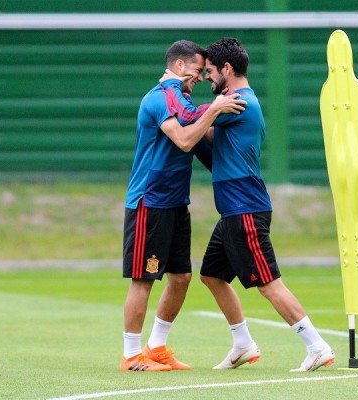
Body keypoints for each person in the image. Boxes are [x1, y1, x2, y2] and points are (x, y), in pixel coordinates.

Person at [165, 37, 335, 372]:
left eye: (210, 71)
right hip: (233, 209)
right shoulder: (234, 105)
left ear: (227, 69)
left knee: (268, 283)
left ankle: (317, 346)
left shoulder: (237, 103)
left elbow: (188, 119)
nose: (206, 78)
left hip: (245, 209)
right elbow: (208, 147)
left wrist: (170, 86)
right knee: (212, 275)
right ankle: (243, 344)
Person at [120, 40, 246, 372]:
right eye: (197, 70)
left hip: (175, 202)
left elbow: (200, 137)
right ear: (178, 66)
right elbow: (186, 139)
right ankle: (131, 356)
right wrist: (215, 109)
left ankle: (157, 348)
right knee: (143, 279)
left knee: (181, 277)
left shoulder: (182, 100)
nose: (201, 77)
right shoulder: (159, 98)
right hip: (150, 202)